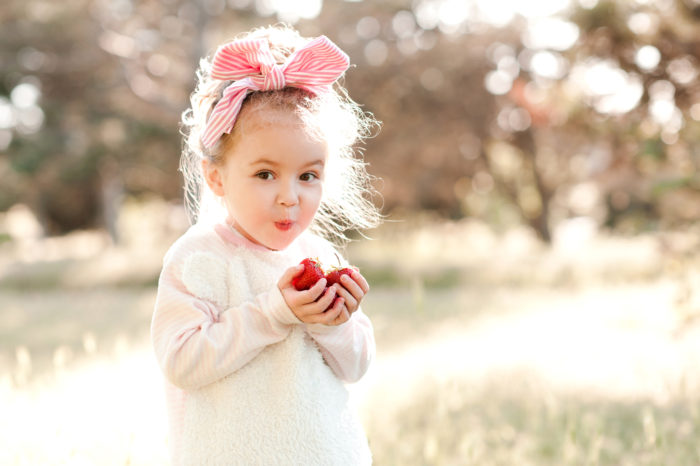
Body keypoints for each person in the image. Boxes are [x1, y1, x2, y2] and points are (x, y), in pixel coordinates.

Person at [151, 24, 382, 465]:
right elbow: (181, 361)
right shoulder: (200, 258)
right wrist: (273, 313)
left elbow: (355, 366)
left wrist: (335, 323)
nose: (289, 196)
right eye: (264, 174)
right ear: (216, 176)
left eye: (308, 175)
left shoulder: (320, 257)